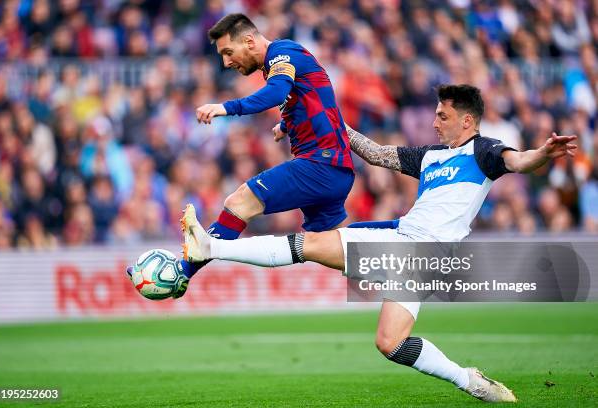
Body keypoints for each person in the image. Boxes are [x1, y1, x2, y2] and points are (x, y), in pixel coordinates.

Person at [180, 84, 577, 402]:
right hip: (402, 240)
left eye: (443, 116)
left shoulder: (484, 150)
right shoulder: (431, 155)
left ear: (467, 120)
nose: (435, 122)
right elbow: (376, 153)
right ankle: (470, 381)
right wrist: (333, 122)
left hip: (427, 255)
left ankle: (210, 248)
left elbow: (518, 160)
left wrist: (542, 153)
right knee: (383, 335)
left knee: (325, 262)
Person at [179, 13, 355, 283]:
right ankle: (400, 263)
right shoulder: (277, 64)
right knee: (326, 247)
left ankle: (181, 273)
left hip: (321, 164)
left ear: (249, 41)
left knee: (239, 202)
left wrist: (225, 107)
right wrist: (286, 124)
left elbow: (275, 93)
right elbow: (309, 92)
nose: (226, 62)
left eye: (228, 52)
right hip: (333, 168)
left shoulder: (282, 53)